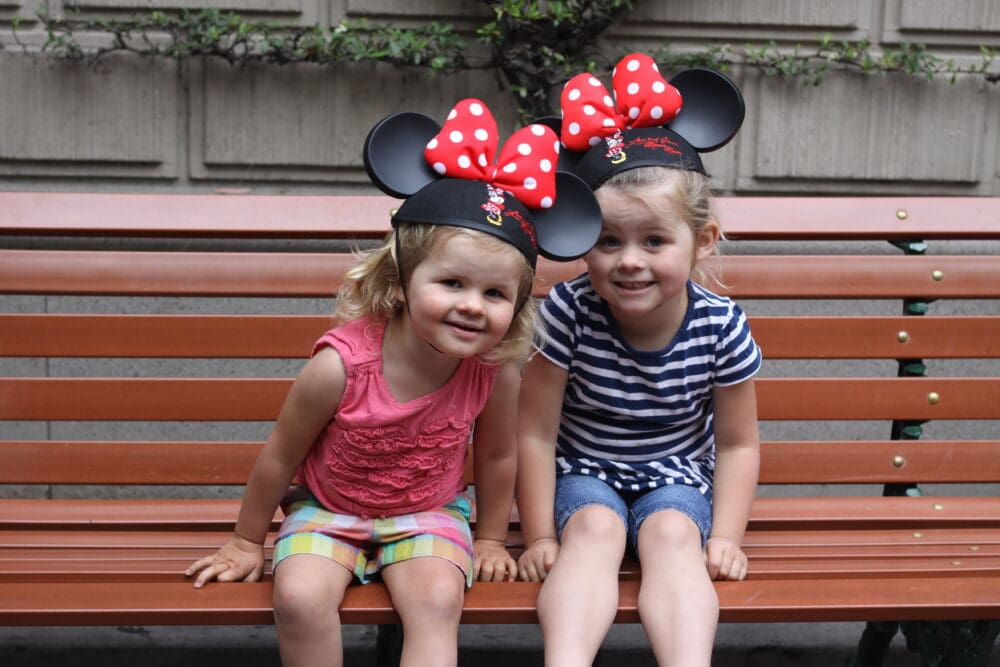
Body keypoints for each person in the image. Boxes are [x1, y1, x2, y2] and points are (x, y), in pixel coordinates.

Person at [185, 98, 601, 667]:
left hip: (430, 512)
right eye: (451, 282)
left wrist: (488, 538)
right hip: (328, 509)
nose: (472, 306)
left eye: (495, 293)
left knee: (436, 600)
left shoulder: (494, 370)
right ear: (402, 280)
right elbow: (281, 454)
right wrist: (244, 540)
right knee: (300, 598)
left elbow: (499, 456)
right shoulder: (341, 366)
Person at [515, 53, 761, 667]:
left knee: (676, 537)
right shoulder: (568, 312)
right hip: (584, 470)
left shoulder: (718, 324)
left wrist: (725, 536)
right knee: (593, 533)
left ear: (701, 241)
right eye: (608, 241)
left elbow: (735, 443)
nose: (629, 261)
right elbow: (536, 430)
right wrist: (541, 533)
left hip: (676, 472)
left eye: (654, 240)